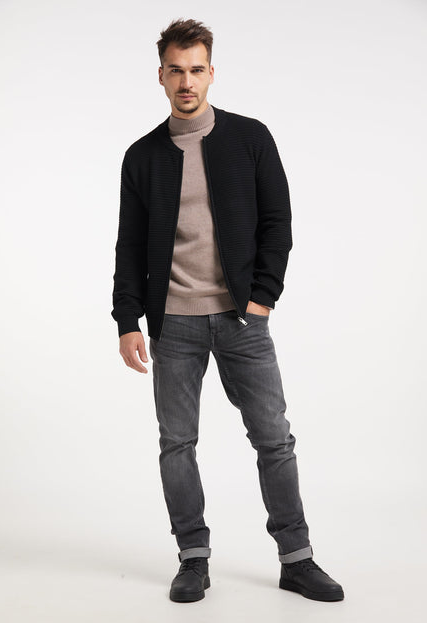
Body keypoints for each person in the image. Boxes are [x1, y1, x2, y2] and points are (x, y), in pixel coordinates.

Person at [111, 18, 344, 604]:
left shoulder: (250, 138)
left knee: (274, 439)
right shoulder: (141, 157)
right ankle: (193, 559)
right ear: (160, 76)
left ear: (211, 73)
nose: (186, 81)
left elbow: (277, 223)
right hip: (174, 323)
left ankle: (296, 559)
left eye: (196, 70)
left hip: (243, 320)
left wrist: (262, 298)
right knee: (177, 444)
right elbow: (129, 244)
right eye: (176, 71)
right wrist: (127, 320)